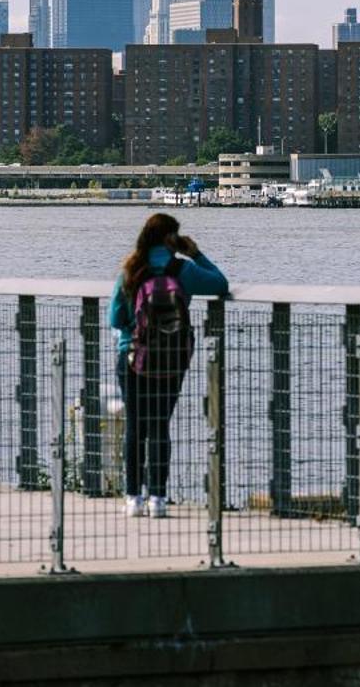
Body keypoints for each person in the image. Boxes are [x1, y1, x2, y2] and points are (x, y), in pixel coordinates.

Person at [109, 212, 229, 517]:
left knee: (136, 427)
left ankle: (133, 498)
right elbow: (220, 283)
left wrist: (134, 332)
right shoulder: (183, 270)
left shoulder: (131, 269)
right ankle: (158, 499)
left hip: (133, 356)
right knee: (160, 426)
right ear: (171, 238)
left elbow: (115, 319)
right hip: (171, 360)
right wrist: (196, 253)